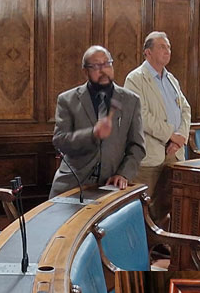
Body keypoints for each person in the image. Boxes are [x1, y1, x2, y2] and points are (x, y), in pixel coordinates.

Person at [50, 45, 145, 198]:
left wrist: (124, 174)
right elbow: (60, 141)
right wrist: (92, 134)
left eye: (107, 64)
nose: (103, 70)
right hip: (73, 184)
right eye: (96, 66)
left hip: (111, 185)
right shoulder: (68, 100)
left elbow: (137, 146)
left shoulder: (131, 100)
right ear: (85, 71)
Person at [121, 31, 191, 222]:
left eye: (168, 47)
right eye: (162, 47)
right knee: (144, 206)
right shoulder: (135, 79)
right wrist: (171, 135)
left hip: (174, 153)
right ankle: (143, 248)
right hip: (149, 154)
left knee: (166, 204)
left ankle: (160, 241)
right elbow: (141, 115)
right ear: (148, 52)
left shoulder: (171, 79)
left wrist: (179, 139)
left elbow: (185, 109)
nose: (167, 51)